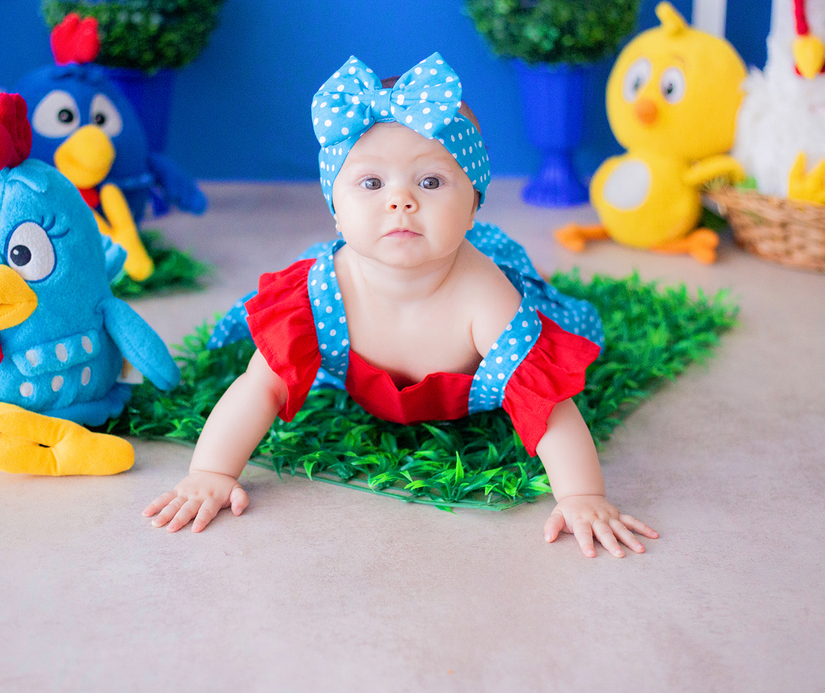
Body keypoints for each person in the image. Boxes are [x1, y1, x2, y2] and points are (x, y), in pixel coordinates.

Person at [144, 54, 658, 557]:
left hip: (480, 317)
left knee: (544, 315)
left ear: (475, 202)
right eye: (371, 183)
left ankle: (518, 261)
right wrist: (210, 473)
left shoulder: (484, 295)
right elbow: (259, 385)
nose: (400, 201)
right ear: (336, 210)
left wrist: (582, 496)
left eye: (430, 182)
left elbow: (549, 407)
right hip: (351, 334)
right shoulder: (323, 291)